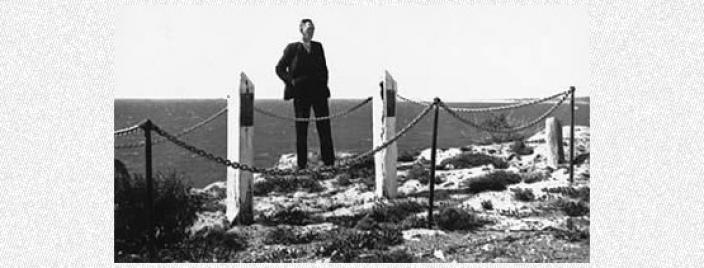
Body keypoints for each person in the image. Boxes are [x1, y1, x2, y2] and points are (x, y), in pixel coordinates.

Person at [276, 19, 334, 170]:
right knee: (301, 129)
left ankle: (329, 162)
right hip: (301, 95)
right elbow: (279, 68)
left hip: (319, 93)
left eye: (313, 28)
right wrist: (292, 83)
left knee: (324, 127)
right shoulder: (292, 48)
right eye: (308, 28)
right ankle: (302, 164)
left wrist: (323, 83)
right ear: (301, 30)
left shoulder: (318, 47)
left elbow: (324, 68)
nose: (311, 31)